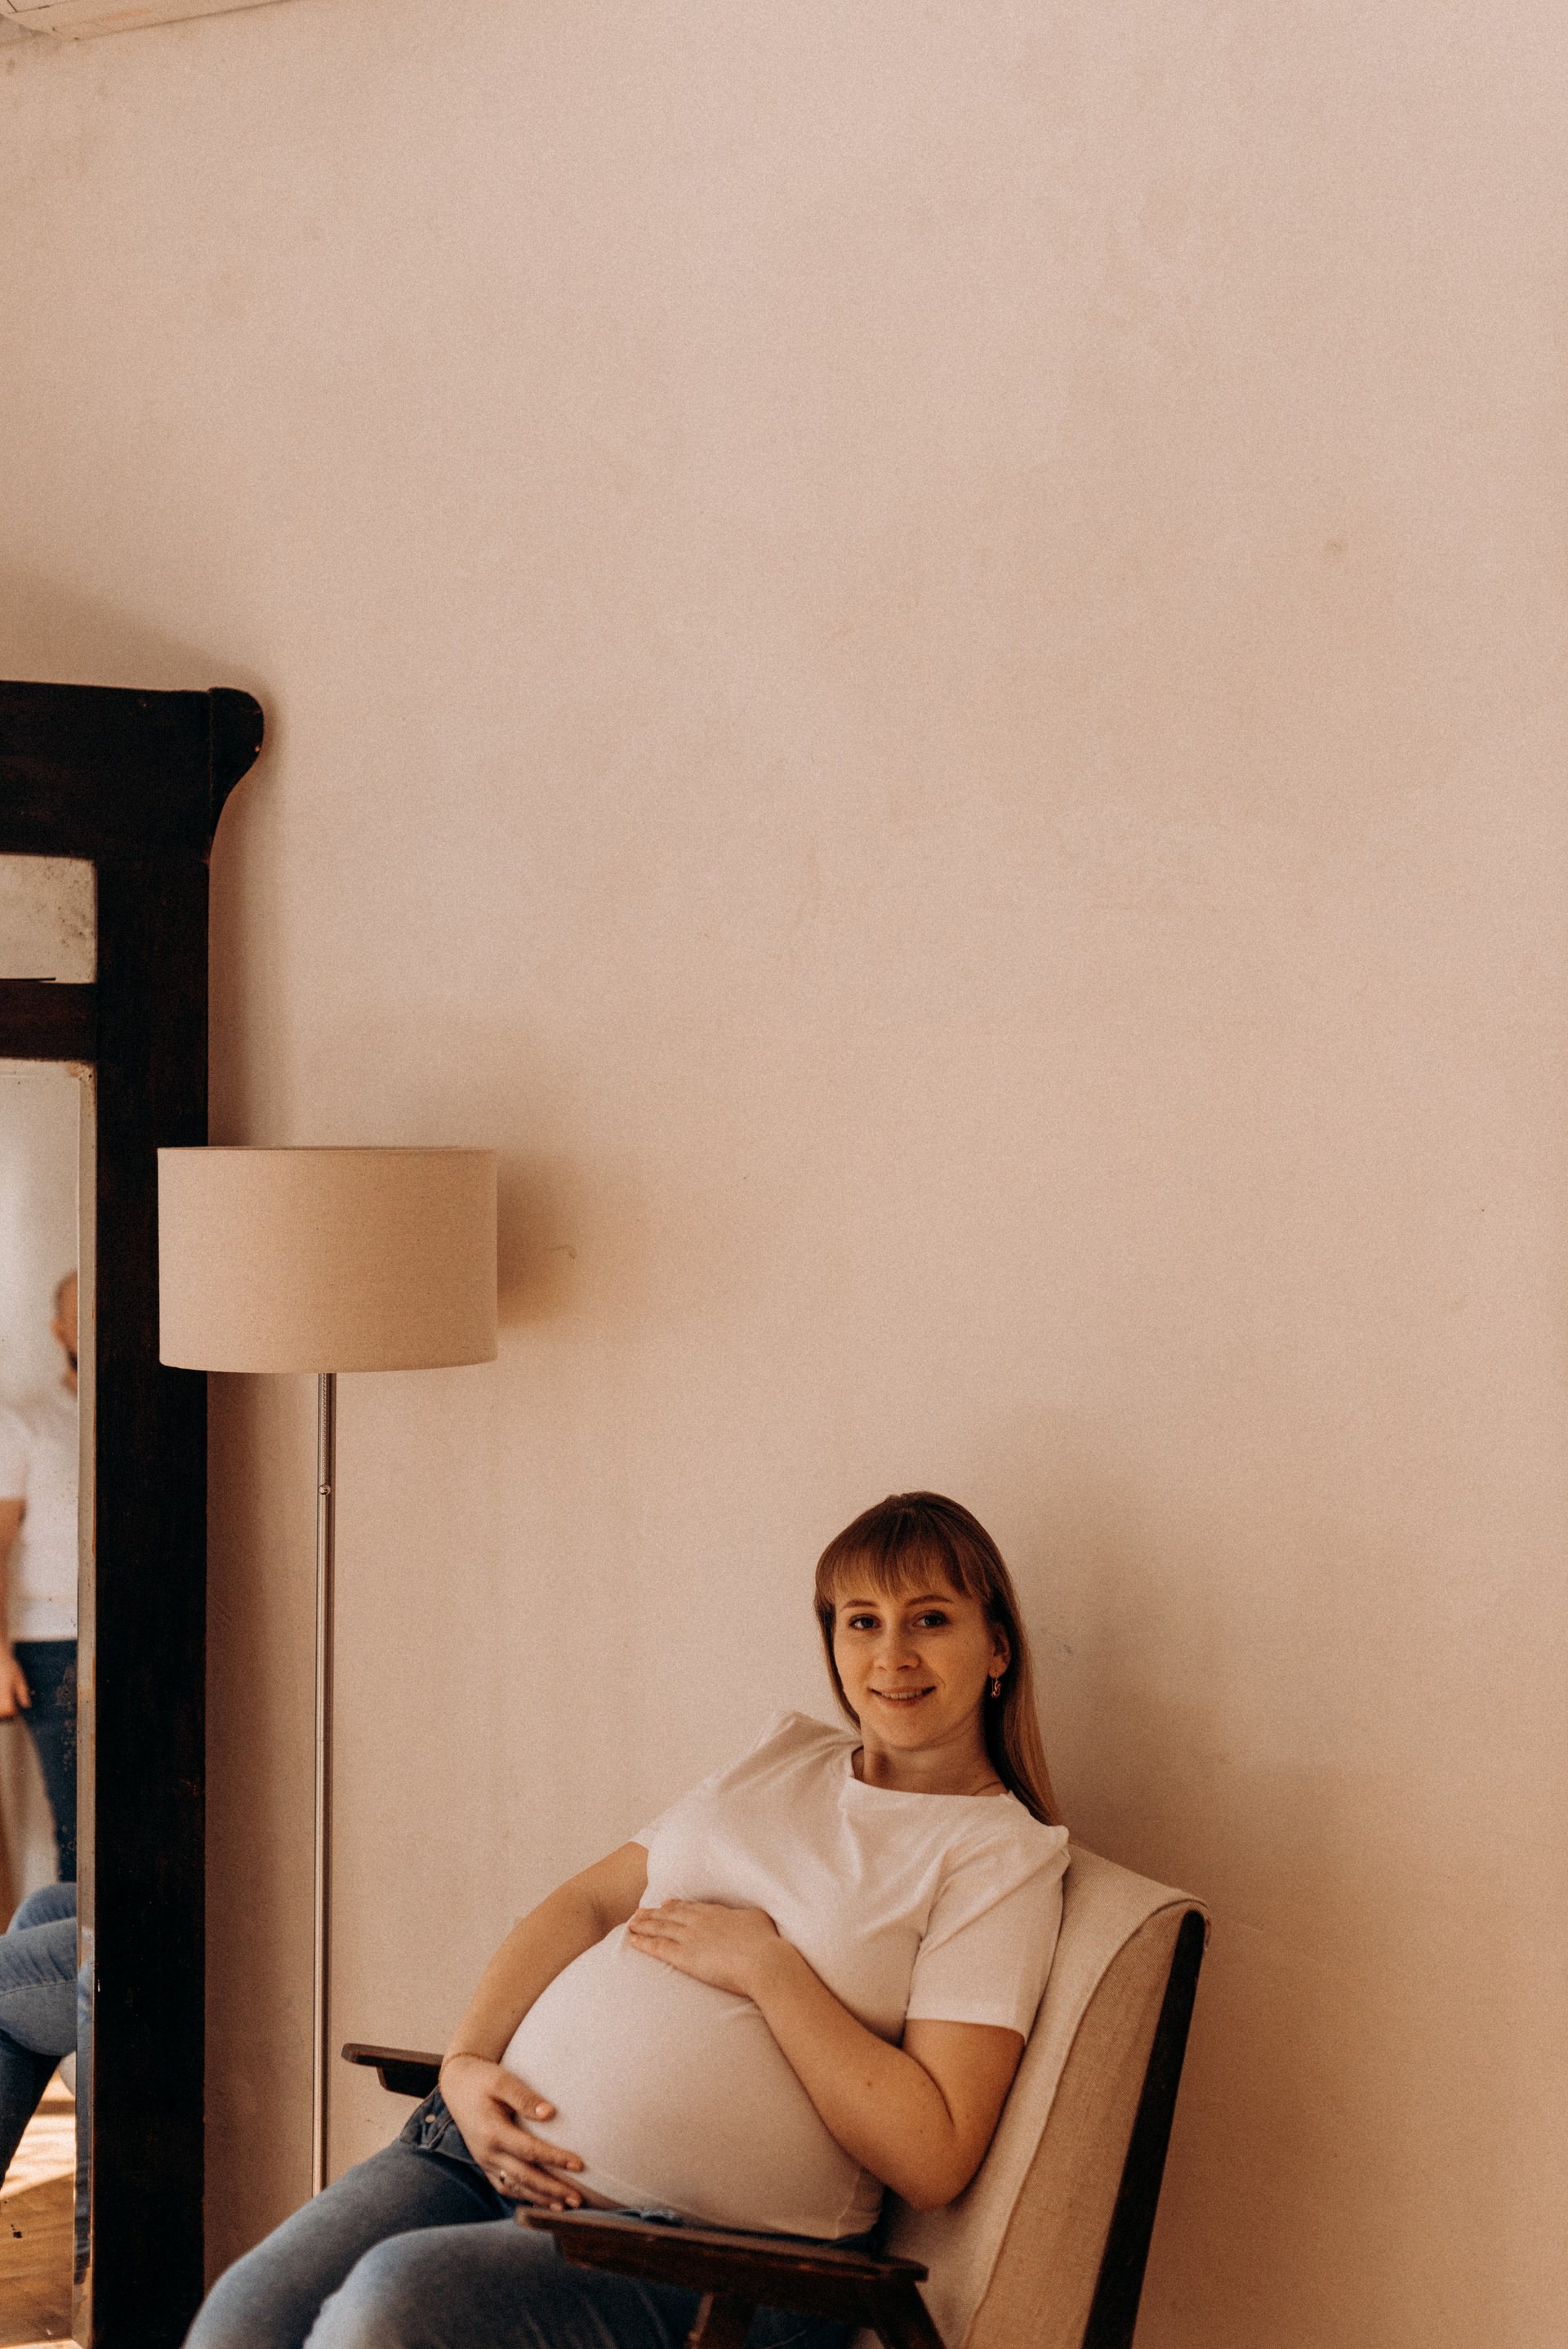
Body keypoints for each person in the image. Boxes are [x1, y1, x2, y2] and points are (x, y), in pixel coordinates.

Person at [187, 1492, 1071, 2349]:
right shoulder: (784, 1753)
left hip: (706, 2258)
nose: (892, 1653)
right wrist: (464, 2065)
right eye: (862, 1621)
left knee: (393, 2305)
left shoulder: (999, 1854)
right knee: (244, 2319)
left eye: (930, 1619)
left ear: (997, 1645)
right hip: (472, 2151)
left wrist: (770, 1971)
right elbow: (587, 1903)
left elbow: (934, 2153)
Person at [0, 1272, 80, 1881]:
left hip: (139, 1640)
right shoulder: (24, 1421)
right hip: (51, 1648)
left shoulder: (142, 1414)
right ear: (59, 1331)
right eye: (82, 1314)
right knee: (80, 1825)